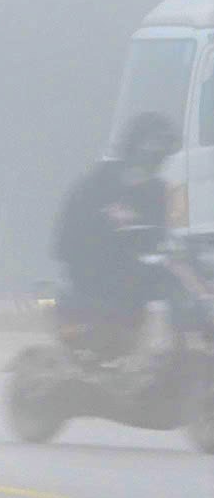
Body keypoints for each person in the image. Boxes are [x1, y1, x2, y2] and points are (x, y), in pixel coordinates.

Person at [53, 112, 180, 358]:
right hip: (92, 281)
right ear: (134, 145)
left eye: (162, 149)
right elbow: (66, 245)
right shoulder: (96, 183)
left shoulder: (157, 192)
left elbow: (158, 242)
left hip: (134, 286)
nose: (156, 155)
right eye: (152, 147)